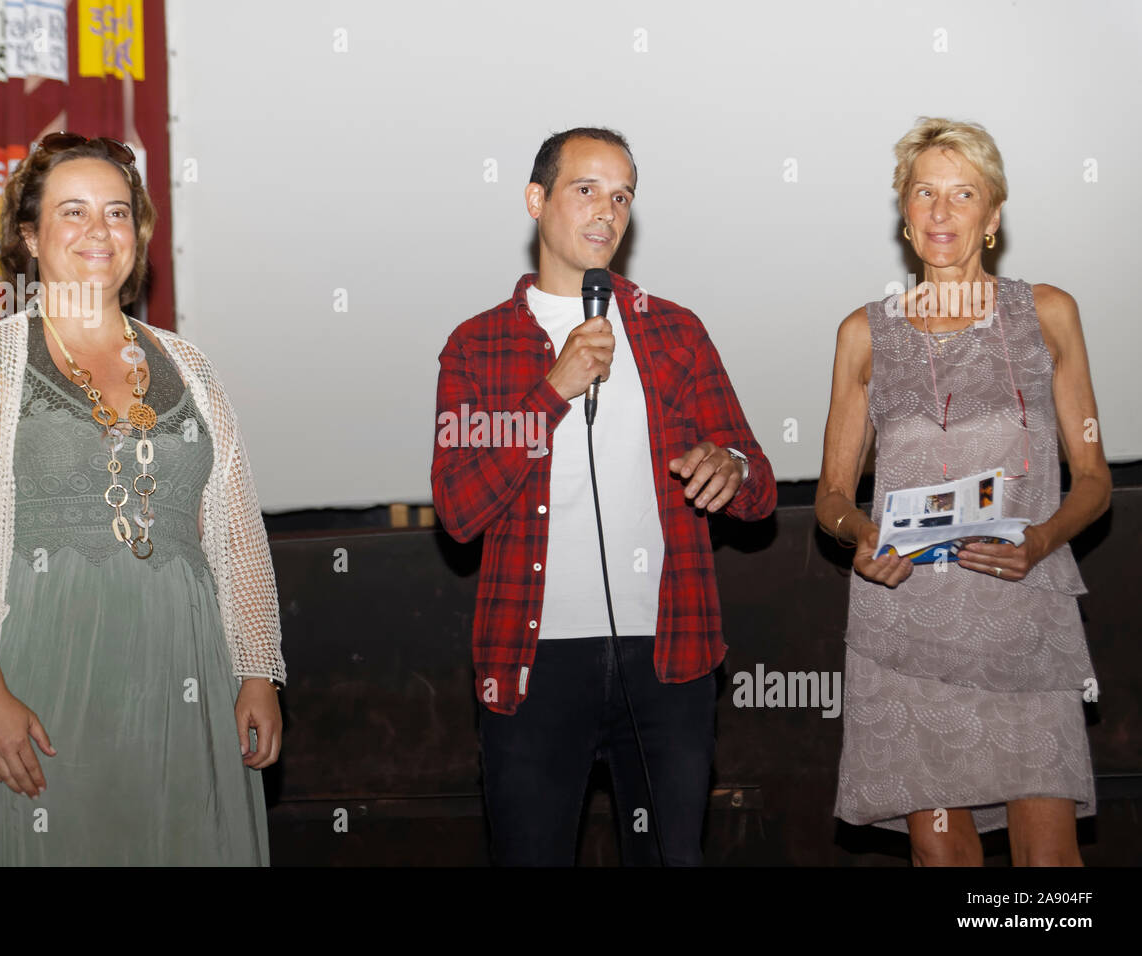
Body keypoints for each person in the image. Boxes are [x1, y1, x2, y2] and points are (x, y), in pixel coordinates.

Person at [0, 132, 285, 865]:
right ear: (29, 236)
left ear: (137, 234)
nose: (98, 232)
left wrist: (258, 672)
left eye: (116, 212)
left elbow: (235, 536)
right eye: (71, 213)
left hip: (187, 682)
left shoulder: (190, 367)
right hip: (42, 683)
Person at [431, 127, 776, 865]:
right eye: (586, 189)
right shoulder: (478, 345)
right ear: (536, 200)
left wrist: (733, 467)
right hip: (533, 661)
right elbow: (458, 510)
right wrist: (552, 389)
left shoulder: (674, 331)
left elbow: (760, 486)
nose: (607, 211)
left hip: (670, 655)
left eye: (622, 196)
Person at [815, 117, 1110, 866]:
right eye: (925, 194)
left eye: (963, 194)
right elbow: (832, 498)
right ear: (905, 215)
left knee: (1050, 869)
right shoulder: (863, 333)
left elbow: (1095, 481)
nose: (942, 212)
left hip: (1023, 614)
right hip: (907, 615)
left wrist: (1041, 539)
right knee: (945, 862)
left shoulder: (1049, 314)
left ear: (992, 217)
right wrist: (859, 535)